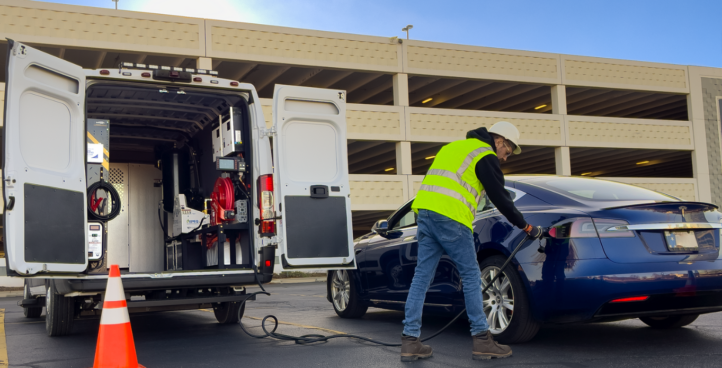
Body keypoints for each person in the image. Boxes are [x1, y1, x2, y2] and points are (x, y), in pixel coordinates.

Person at [400, 121, 543, 362]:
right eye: (507, 152)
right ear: (499, 142)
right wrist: (526, 226)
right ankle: (482, 340)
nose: (505, 158)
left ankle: (410, 341)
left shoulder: (452, 147)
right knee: (471, 276)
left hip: (424, 213)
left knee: (422, 277)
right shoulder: (485, 154)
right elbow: (501, 198)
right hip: (452, 217)